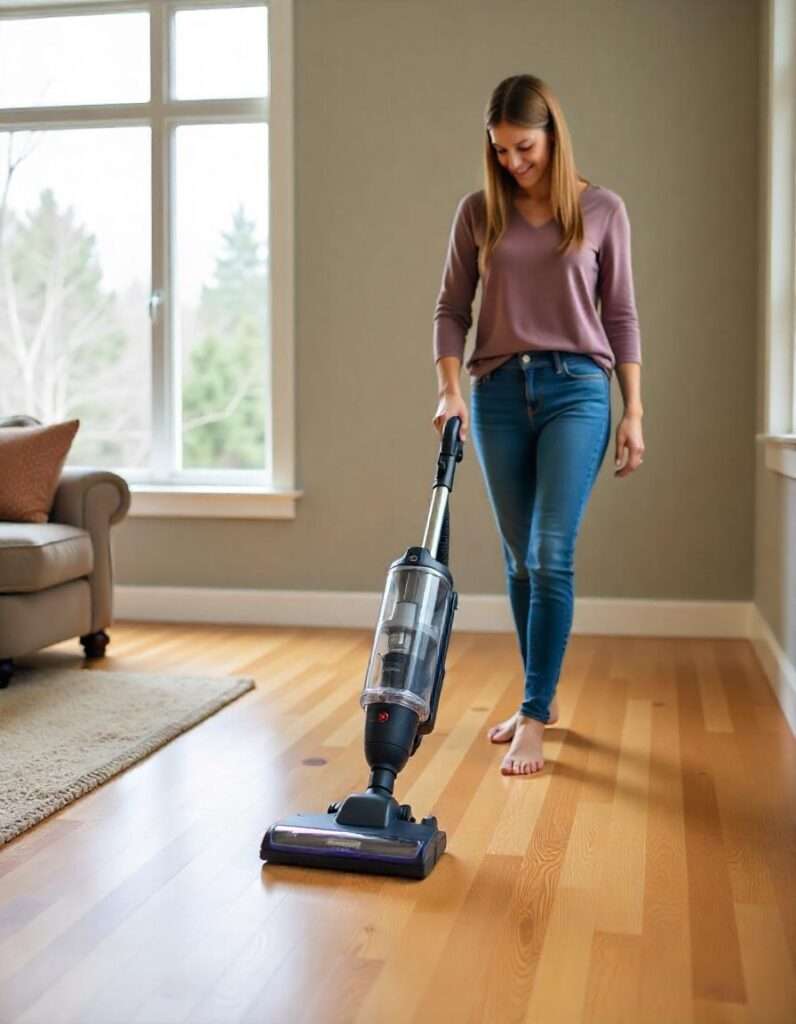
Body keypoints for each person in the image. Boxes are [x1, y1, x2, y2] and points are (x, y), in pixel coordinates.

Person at [432, 74, 645, 777]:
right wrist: (448, 390)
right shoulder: (478, 213)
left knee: (551, 552)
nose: (512, 163)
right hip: (496, 395)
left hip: (578, 391)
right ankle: (539, 698)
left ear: (552, 133)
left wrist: (634, 411)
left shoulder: (603, 210)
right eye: (500, 151)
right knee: (521, 558)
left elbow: (620, 317)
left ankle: (532, 712)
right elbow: (451, 309)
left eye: (524, 148)